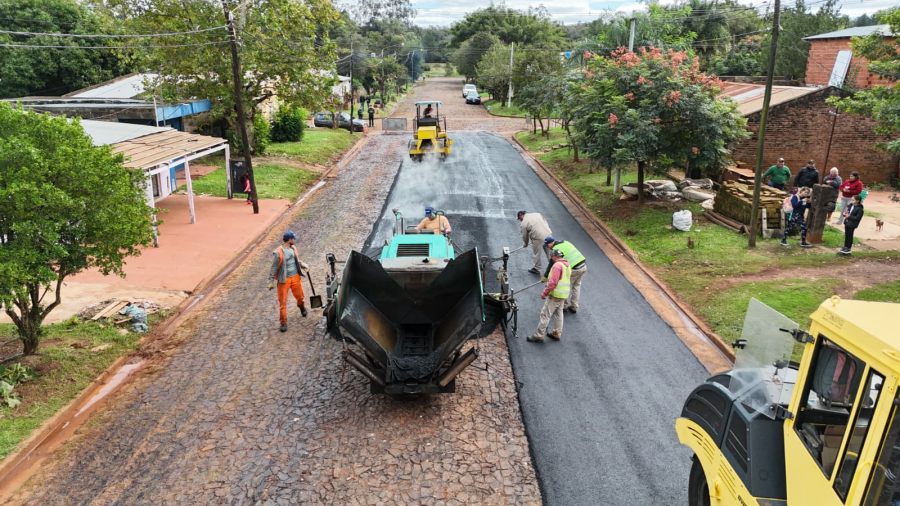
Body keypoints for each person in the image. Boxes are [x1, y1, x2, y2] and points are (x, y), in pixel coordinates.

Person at [268, 231, 309, 332]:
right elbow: (273, 267)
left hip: (295, 276)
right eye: (293, 238)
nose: (294, 240)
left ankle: (301, 307)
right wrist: (271, 281)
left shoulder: (293, 248)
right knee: (283, 302)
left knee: (300, 297)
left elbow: (295, 260)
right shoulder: (278, 252)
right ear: (289, 239)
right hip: (284, 280)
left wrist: (302, 264)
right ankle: (283, 322)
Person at [528, 249, 571, 343]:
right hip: (563, 294)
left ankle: (539, 335)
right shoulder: (566, 265)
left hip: (555, 294)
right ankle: (556, 333)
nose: (551, 258)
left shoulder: (557, 265)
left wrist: (545, 293)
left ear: (554, 256)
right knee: (559, 314)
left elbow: (553, 282)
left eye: (552, 256)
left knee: (545, 314)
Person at [543, 236, 587, 314]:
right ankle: (574, 306)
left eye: (547, 245)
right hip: (583, 266)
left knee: (565, 285)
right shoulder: (565, 242)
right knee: (576, 286)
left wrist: (546, 276)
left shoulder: (555, 250)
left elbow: (551, 264)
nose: (547, 247)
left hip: (574, 268)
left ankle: (564, 306)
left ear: (551, 243)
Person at [517, 210, 552, 274]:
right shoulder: (537, 214)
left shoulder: (524, 223)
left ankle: (536, 268)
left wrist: (525, 244)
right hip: (548, 234)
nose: (520, 220)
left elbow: (525, 236)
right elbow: (545, 221)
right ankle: (554, 266)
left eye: (519, 219)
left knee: (536, 253)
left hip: (538, 238)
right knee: (549, 252)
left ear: (521, 215)